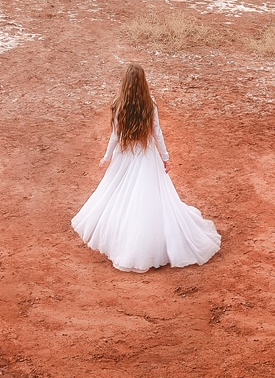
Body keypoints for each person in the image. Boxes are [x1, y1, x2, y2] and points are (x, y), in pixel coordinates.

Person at [71, 64, 221, 273]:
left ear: (124, 83)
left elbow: (115, 135)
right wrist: (166, 158)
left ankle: (120, 236)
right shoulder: (150, 104)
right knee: (148, 197)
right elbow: (157, 133)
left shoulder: (118, 104)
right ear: (143, 83)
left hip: (124, 156)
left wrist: (106, 158)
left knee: (116, 194)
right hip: (147, 156)